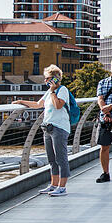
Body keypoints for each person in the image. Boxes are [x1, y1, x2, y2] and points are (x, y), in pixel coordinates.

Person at [15, 65, 72, 197]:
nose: (46, 81)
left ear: (56, 79)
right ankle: (53, 184)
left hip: (60, 128)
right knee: (51, 159)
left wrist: (52, 91)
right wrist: (20, 101)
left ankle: (62, 187)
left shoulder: (62, 90)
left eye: (48, 79)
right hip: (48, 127)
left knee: (61, 158)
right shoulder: (48, 92)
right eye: (45, 79)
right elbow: (38, 105)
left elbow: (58, 105)